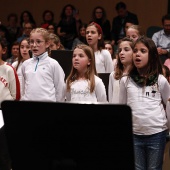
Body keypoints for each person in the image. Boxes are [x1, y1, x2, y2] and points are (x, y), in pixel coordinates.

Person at [119, 36, 170, 170]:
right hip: (134, 135)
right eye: (135, 51)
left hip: (156, 133)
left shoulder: (161, 80)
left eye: (143, 51)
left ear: (152, 56)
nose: (137, 54)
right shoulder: (126, 81)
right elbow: (121, 109)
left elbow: (168, 103)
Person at [20, 28, 65, 102]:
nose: (34, 45)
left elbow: (60, 89)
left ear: (47, 43)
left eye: (38, 42)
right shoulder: (25, 64)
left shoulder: (53, 64)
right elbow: (23, 88)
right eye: (31, 42)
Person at [0, 37, 20, 170]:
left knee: (3, 154)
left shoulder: (8, 69)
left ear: (3, 50)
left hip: (3, 114)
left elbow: (16, 95)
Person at [108, 37, 133, 103]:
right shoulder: (113, 75)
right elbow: (111, 99)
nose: (121, 53)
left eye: (126, 50)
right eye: (120, 50)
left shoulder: (137, 76)